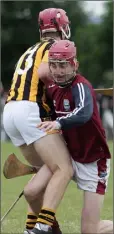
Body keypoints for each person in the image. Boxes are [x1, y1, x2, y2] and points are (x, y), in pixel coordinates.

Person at [3, 9, 74, 234]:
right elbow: (45, 72)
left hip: (11, 112)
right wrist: (68, 90)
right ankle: (45, 227)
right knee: (63, 168)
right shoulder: (54, 48)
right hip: (31, 110)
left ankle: (32, 228)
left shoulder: (30, 49)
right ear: (63, 27)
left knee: (43, 171)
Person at [36, 40, 112, 234]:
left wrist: (58, 123)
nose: (58, 70)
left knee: (89, 231)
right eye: (54, 65)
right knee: (32, 190)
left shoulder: (81, 86)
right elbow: (49, 114)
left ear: (74, 65)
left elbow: (83, 113)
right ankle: (41, 227)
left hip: (93, 161)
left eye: (63, 65)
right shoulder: (52, 88)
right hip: (69, 155)